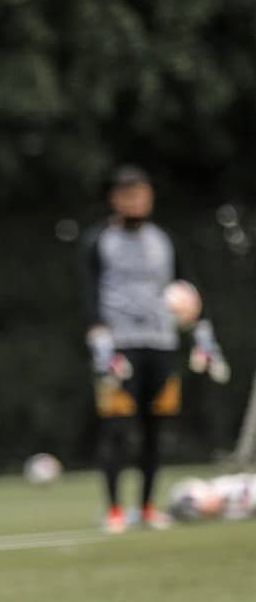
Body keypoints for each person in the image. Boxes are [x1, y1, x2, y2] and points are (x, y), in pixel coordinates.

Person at [79, 164, 229, 534]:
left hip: (162, 346)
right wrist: (99, 341)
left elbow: (187, 288)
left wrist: (203, 336)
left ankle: (147, 508)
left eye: (143, 193)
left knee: (155, 430)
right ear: (115, 199)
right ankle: (114, 510)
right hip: (119, 348)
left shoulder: (165, 240)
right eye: (129, 194)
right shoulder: (100, 240)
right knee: (116, 428)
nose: (137, 201)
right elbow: (88, 290)